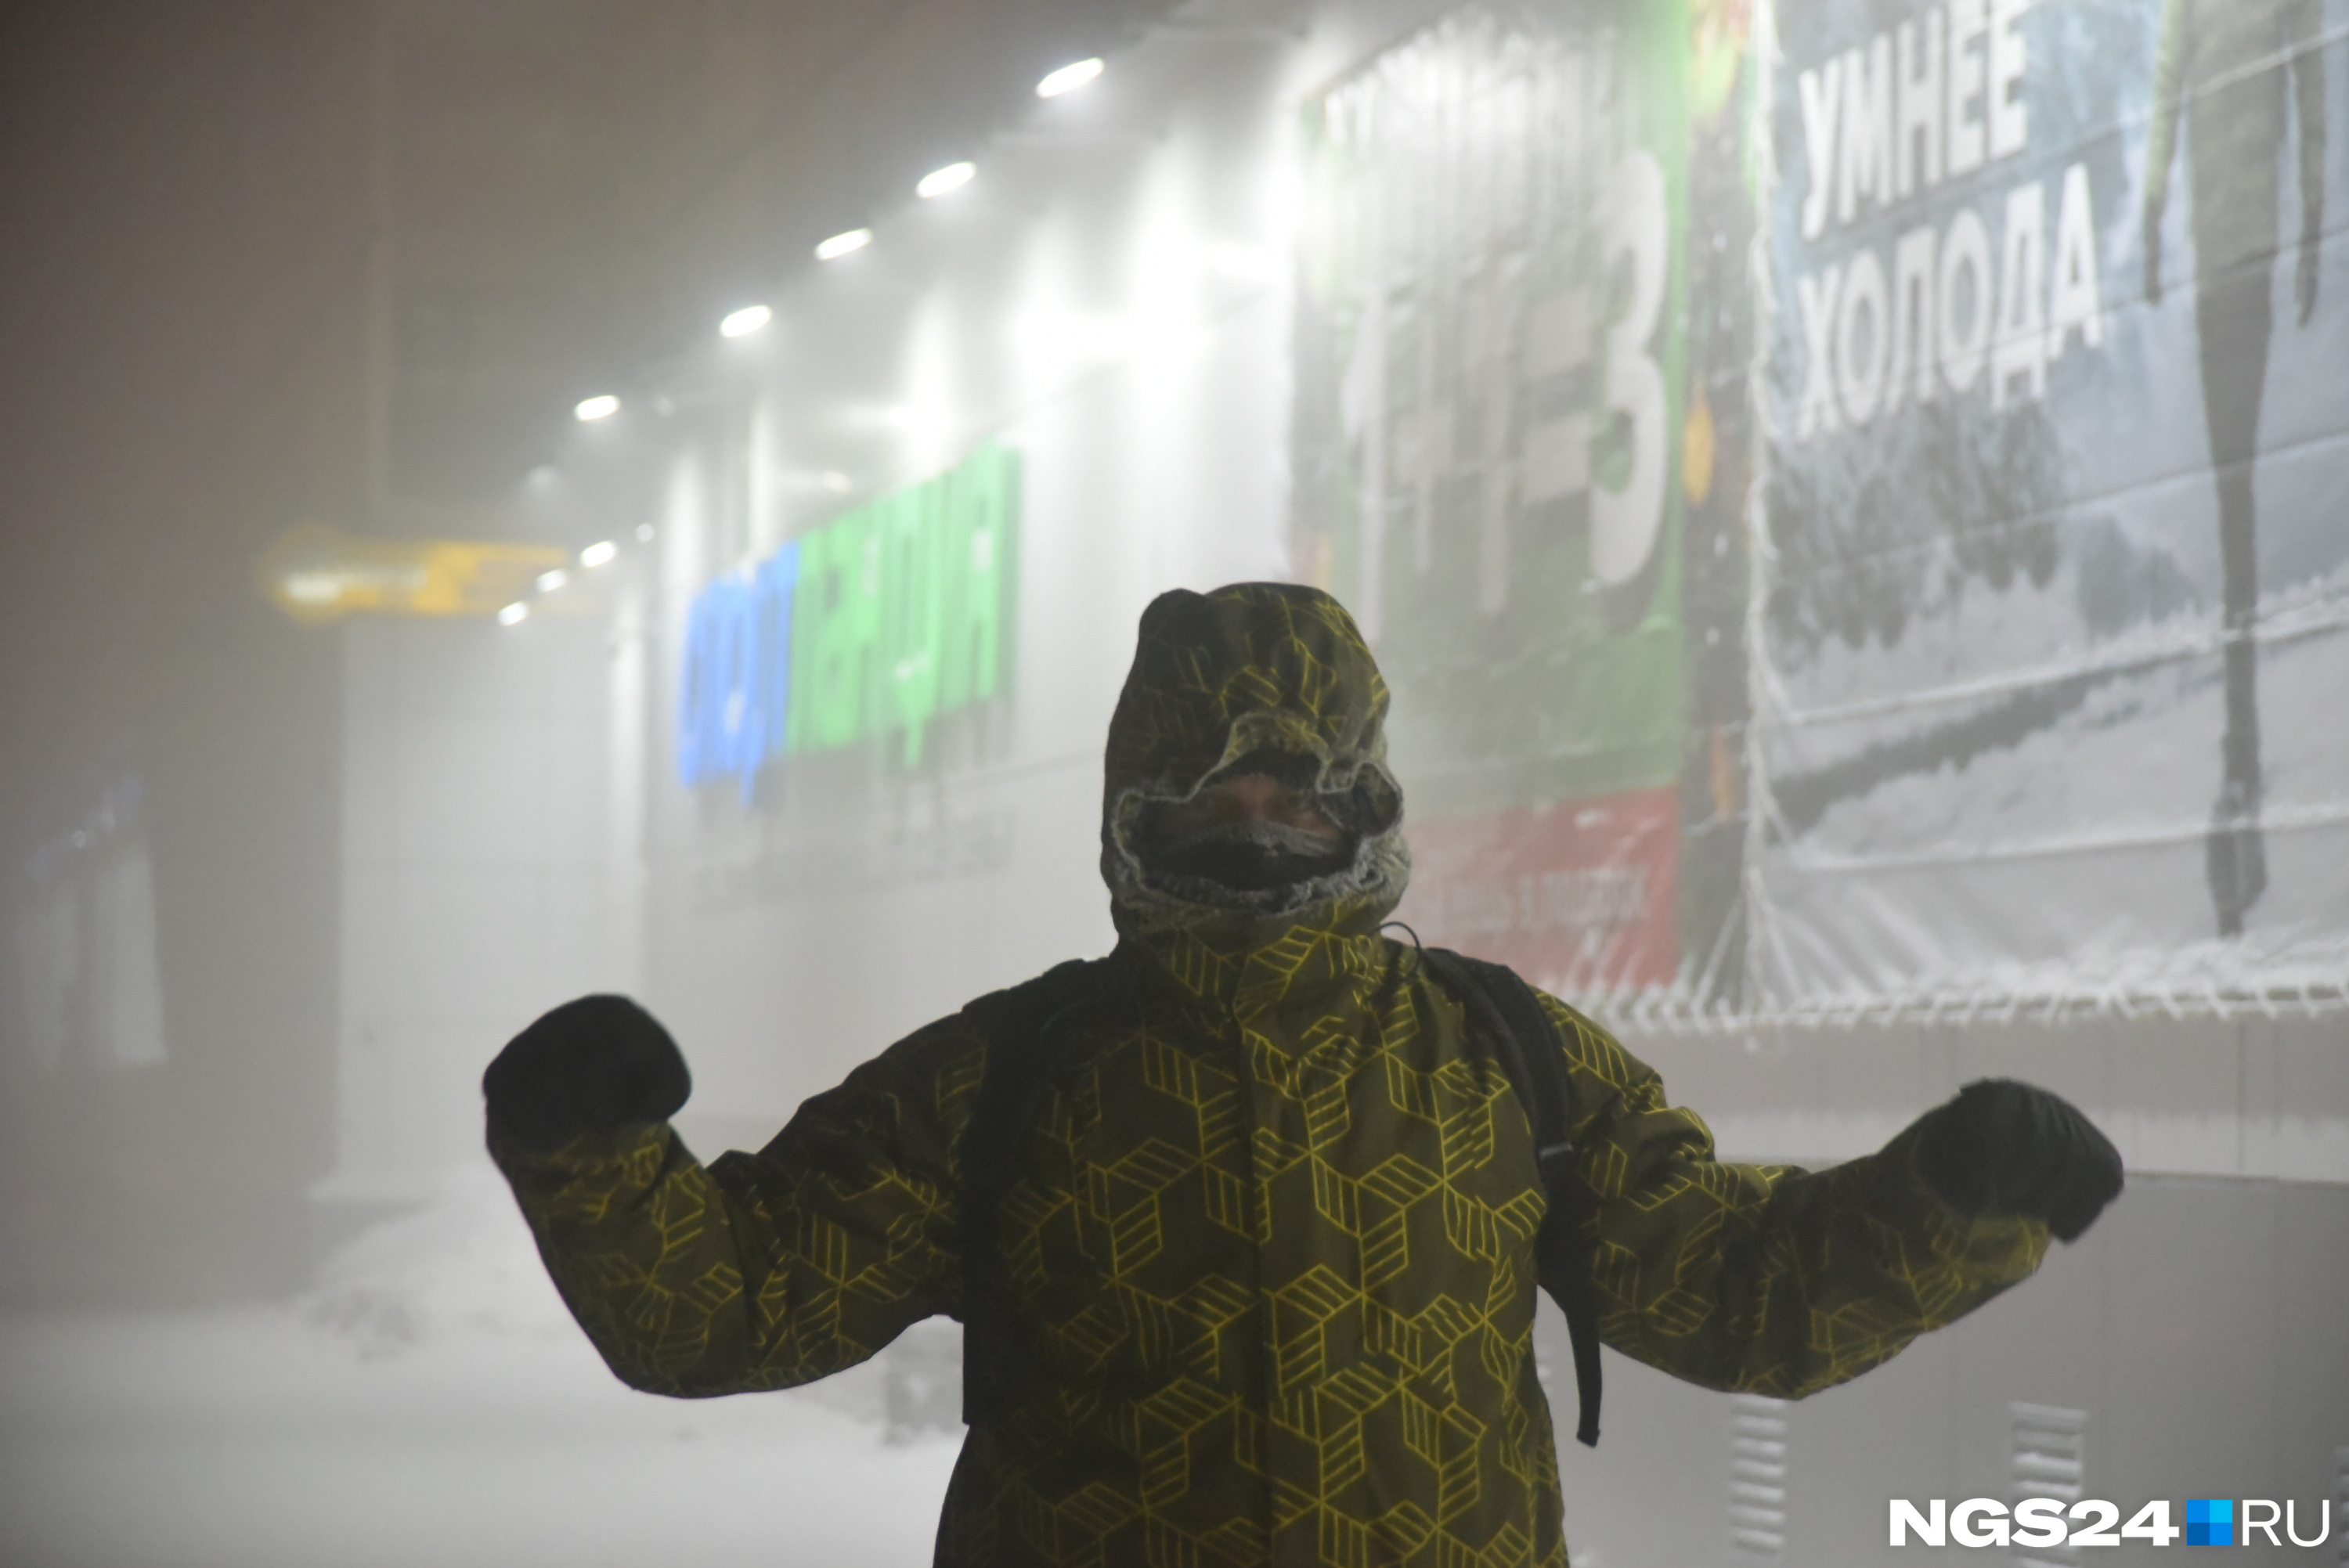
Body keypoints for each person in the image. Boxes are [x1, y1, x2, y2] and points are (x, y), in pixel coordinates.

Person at [484, 582, 2123, 1567]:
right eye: (1212, 790)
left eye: (1295, 788)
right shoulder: (1014, 1074)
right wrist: (592, 1151)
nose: (1257, 821)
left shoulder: (1505, 1059)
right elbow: (726, 1302)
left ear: (1364, 802)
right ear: (1139, 805)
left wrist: (1950, 1199)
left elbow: (1737, 1289)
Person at [2142, 0, 2328, 936]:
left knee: (2242, 493)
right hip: (2219, 270)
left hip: (2252, 264)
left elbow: (2314, 96)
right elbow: (2165, 95)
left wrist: (2311, 229)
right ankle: (2238, 740)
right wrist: (2147, 214)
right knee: (2230, 496)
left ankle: (2242, 741)